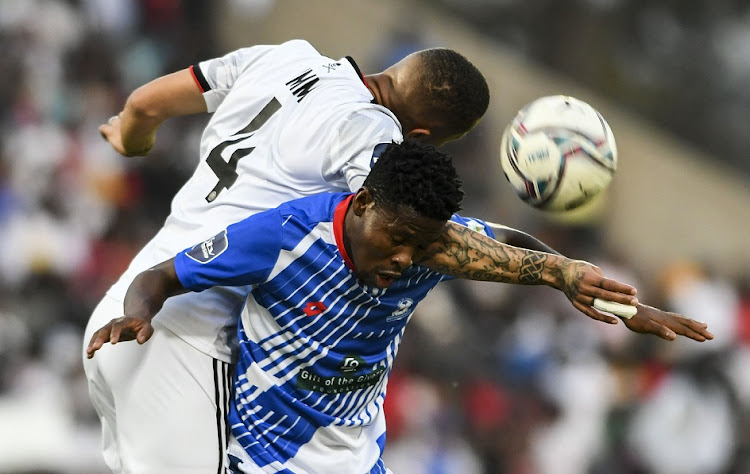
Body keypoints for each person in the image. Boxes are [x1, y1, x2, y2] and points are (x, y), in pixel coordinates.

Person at [87, 39, 712, 473]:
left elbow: (146, 103)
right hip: (189, 334)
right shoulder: (371, 136)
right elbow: (426, 229)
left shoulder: (288, 58)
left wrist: (128, 136)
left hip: (126, 310)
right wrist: (561, 273)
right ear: (420, 140)